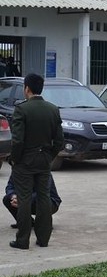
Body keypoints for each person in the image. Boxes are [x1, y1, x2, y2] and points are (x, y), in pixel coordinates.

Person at [9, 73, 64, 249]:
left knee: (24, 200)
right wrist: (49, 156)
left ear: (27, 88)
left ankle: (22, 240)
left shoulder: (22, 109)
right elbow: (60, 141)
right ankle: (43, 239)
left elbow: (18, 141)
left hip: (25, 161)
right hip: (44, 161)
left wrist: (15, 160)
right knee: (44, 198)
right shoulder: (53, 109)